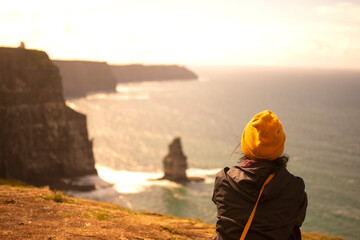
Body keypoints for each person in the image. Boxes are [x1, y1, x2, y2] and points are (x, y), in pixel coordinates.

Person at [212, 110, 307, 240]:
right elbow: (297, 221)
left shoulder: (225, 179)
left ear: (246, 143)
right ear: (279, 146)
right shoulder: (295, 187)